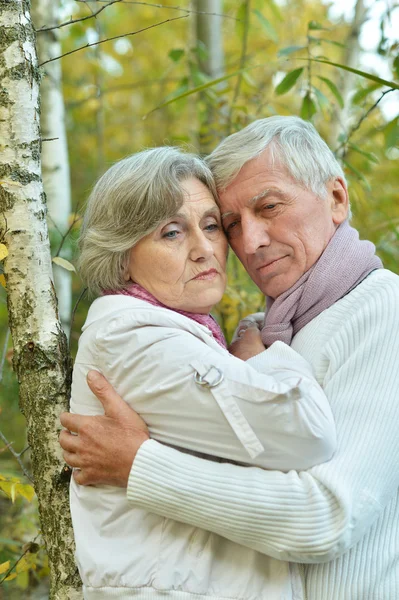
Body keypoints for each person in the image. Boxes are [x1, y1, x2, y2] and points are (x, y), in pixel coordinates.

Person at [60, 117, 399, 599]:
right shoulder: (280, 325)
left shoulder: (381, 309)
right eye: (234, 223)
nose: (251, 242)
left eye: (270, 207)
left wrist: (140, 464)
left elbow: (326, 518)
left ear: (337, 199)